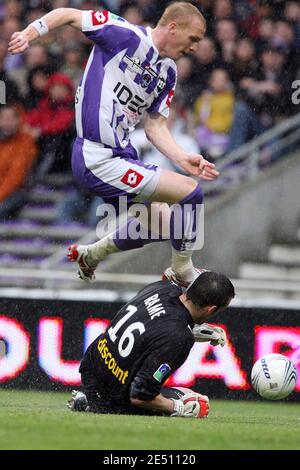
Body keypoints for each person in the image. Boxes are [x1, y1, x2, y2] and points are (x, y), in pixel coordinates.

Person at [9, 2, 220, 288]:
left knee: (169, 227)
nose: (194, 48)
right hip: (95, 157)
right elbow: (69, 15)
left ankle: (92, 254)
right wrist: (29, 33)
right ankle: (183, 270)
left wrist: (182, 158)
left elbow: (154, 125)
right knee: (191, 193)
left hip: (122, 157)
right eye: (193, 38)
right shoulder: (122, 33)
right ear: (173, 27)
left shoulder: (168, 72)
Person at [68, 271, 235, 417]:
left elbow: (154, 324)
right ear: (211, 309)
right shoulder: (179, 337)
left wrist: (191, 328)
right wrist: (180, 408)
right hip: (113, 397)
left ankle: (90, 398)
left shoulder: (163, 287)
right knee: (192, 398)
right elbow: (140, 395)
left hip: (90, 368)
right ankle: (95, 405)